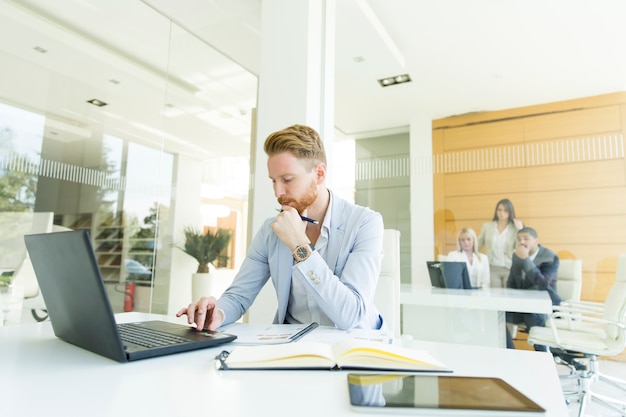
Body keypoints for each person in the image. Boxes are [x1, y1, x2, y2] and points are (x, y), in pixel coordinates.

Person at [177, 124, 385, 331]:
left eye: (287, 179)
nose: (278, 192)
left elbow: (351, 315)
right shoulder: (270, 230)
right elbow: (239, 296)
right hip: (293, 346)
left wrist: (299, 245)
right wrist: (217, 312)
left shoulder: (365, 223)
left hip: (353, 346)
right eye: (273, 181)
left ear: (319, 174)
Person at [505, 227, 560, 351]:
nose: (522, 242)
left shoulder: (550, 257)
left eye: (526, 238)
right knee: (497, 315)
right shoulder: (517, 255)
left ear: (536, 240)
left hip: (543, 306)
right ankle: (510, 353)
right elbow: (512, 282)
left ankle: (543, 355)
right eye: (519, 239)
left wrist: (525, 259)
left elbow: (542, 284)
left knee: (533, 316)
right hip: (522, 304)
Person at [477, 198, 524, 288]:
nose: (502, 213)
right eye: (499, 210)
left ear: (510, 212)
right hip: (492, 267)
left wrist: (520, 230)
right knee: (496, 297)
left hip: (509, 268)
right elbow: (478, 244)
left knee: (509, 296)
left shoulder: (514, 228)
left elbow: (520, 248)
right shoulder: (487, 226)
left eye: (505, 210)